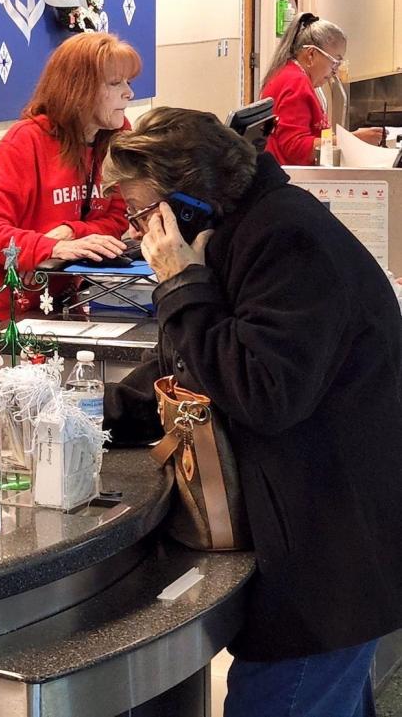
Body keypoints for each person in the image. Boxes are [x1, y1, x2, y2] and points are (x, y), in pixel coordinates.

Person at [103, 107, 402, 717]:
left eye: (141, 213)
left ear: (183, 206)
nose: (138, 233)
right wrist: (95, 417)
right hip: (324, 552)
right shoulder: (248, 234)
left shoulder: (285, 242)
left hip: (328, 564)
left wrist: (181, 282)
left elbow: (262, 391)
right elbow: (190, 368)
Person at [0, 32, 134, 436]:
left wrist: (70, 232)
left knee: (44, 436)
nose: (129, 94)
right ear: (79, 89)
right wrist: (52, 244)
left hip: (60, 307)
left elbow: (115, 217)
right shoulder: (26, 141)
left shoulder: (117, 138)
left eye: (128, 82)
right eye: (115, 83)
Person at [259, 12, 382, 165]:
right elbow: (296, 148)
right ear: (311, 55)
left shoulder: (289, 75)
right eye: (335, 62)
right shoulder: (295, 81)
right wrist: (353, 140)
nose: (334, 71)